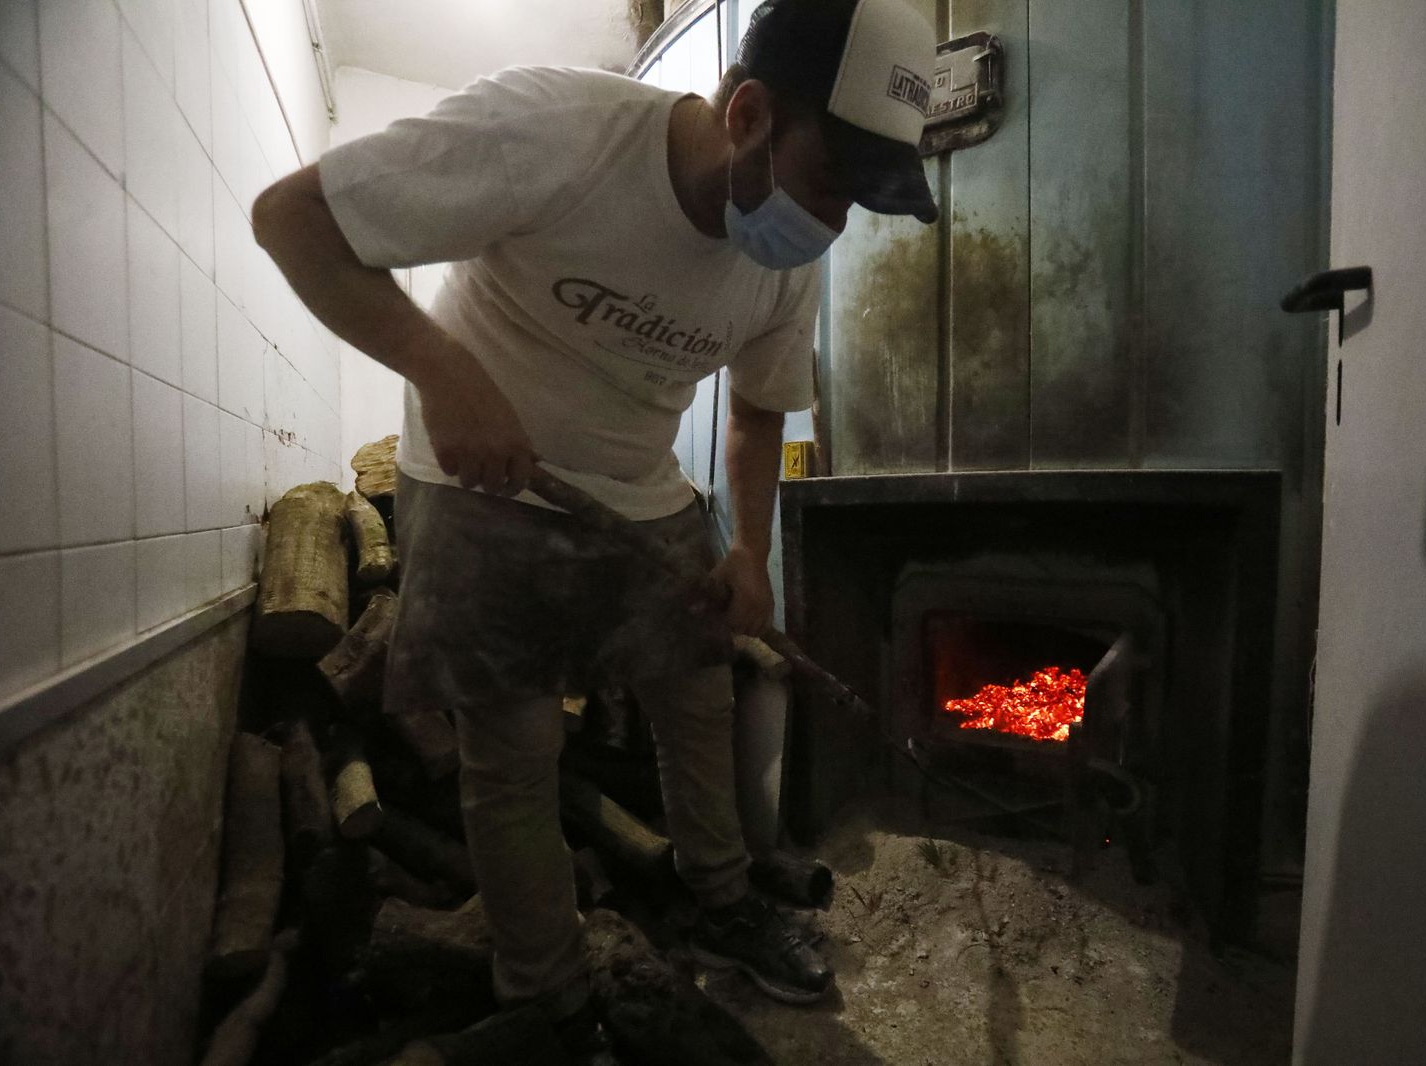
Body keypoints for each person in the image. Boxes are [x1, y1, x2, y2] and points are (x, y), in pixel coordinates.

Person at [253, 0, 938, 1059]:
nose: (832, 222)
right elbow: (291, 218)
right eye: (830, 182)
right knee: (515, 752)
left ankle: (721, 899)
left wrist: (746, 550)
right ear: (749, 114)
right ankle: (552, 997)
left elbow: (759, 410)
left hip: (643, 489)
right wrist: (441, 368)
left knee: (699, 695)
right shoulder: (555, 132)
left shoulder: (787, 255)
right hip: (481, 488)